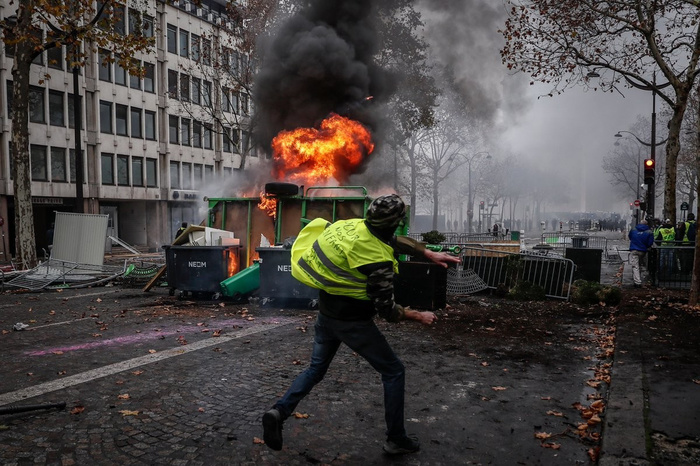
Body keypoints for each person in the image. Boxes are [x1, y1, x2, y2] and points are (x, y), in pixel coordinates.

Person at [261, 194, 460, 455]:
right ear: (396, 222)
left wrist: (427, 252)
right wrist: (418, 315)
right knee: (393, 371)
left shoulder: (352, 226)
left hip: (326, 315)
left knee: (315, 370)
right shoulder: (378, 261)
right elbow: (386, 309)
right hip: (352, 322)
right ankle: (396, 439)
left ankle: (279, 411)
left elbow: (391, 239)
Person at [628, 219, 655, 287]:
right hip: (643, 250)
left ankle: (637, 282)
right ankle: (637, 278)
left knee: (635, 266)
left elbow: (630, 237)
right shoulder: (649, 232)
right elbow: (650, 242)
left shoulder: (634, 230)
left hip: (634, 249)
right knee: (639, 264)